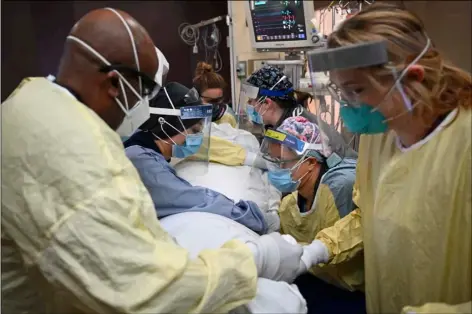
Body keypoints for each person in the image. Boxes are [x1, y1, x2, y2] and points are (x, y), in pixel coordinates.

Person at [1, 8, 306, 313]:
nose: (145, 107)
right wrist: (253, 260)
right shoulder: (75, 151)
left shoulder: (27, 103)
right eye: (145, 93)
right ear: (114, 83)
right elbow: (142, 293)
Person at [301, 3, 471, 313]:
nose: (349, 105)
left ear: (412, 77)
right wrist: (318, 249)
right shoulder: (378, 135)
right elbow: (370, 215)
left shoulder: (465, 145)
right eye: (341, 92)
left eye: (356, 90)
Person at [124, 81, 270, 234]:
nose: (197, 138)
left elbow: (215, 148)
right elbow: (192, 199)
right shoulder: (141, 160)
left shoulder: (149, 150)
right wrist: (251, 216)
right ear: (164, 124)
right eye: (194, 130)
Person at [193, 61, 237, 128]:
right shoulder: (191, 117)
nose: (216, 105)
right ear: (198, 97)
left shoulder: (228, 116)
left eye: (218, 100)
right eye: (210, 100)